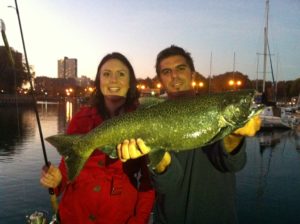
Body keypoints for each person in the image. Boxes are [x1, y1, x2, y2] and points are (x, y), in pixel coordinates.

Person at [117, 45, 261, 224]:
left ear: (193, 74)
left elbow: (232, 163)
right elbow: (166, 185)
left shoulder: (214, 108)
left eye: (180, 68)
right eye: (166, 71)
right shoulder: (150, 118)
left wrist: (235, 136)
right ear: (160, 79)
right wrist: (159, 160)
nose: (174, 76)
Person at [40, 52, 155, 224]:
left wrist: (139, 220)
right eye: (107, 74)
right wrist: (57, 180)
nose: (113, 80)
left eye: (121, 74)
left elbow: (149, 181)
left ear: (130, 82)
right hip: (73, 216)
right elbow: (68, 166)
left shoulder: (145, 119)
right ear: (99, 81)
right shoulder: (80, 118)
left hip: (119, 217)